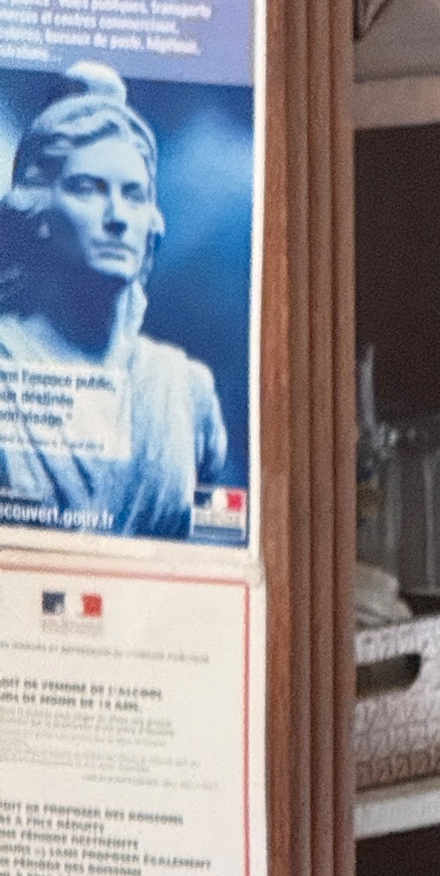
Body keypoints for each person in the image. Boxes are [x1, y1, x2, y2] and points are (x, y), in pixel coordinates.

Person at [0, 62, 229, 540]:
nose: (117, 217)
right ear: (38, 210)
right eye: (88, 188)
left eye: (134, 195)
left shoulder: (186, 391)